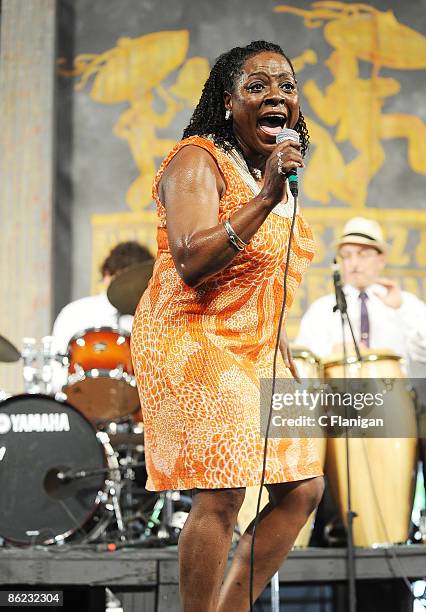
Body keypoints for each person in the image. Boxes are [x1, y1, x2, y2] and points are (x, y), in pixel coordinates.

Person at [131, 41, 324, 611]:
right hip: (192, 335)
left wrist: (278, 333)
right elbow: (191, 260)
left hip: (253, 343)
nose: (277, 97)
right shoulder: (197, 159)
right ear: (227, 100)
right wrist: (265, 196)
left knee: (302, 487)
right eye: (258, 86)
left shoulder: (260, 170)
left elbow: (265, 271)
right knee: (223, 488)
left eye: (286, 87)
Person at [296, 216, 426, 535]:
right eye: (348, 255)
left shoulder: (403, 302)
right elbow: (305, 361)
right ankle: (329, 523)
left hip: (397, 399)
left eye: (363, 254)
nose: (354, 263)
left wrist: (398, 312)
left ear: (380, 258)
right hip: (341, 403)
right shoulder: (322, 309)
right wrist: (333, 350)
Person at [51, 241, 154, 390]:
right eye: (124, 280)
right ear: (107, 275)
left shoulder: (150, 319)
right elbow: (56, 368)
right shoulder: (74, 313)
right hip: (79, 401)